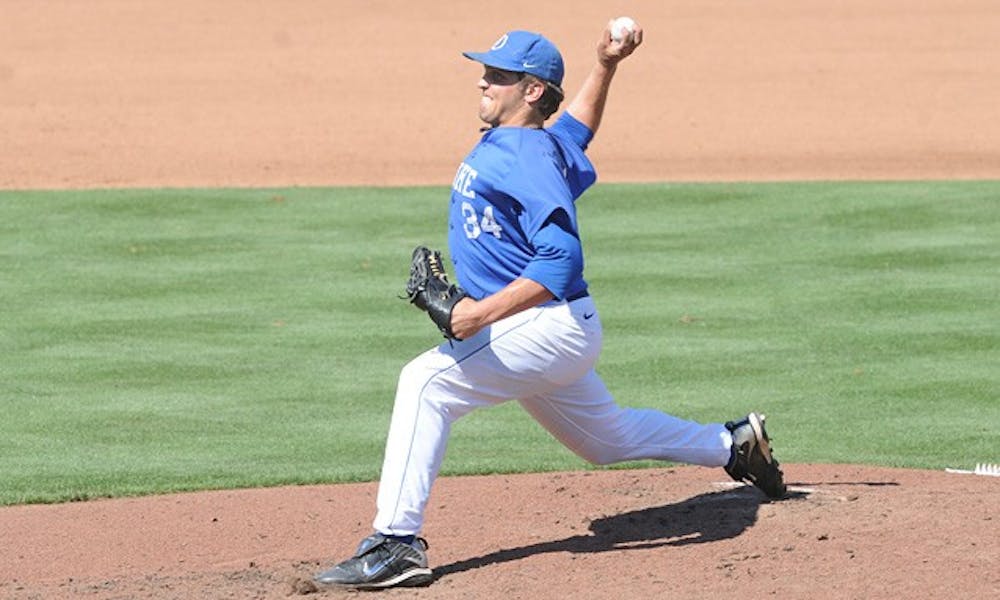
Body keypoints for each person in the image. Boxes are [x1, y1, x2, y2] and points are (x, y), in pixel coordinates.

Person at [314, 20, 786, 590]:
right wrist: (606, 65)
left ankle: (396, 543)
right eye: (485, 73)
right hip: (549, 329)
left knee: (424, 383)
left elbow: (560, 261)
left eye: (498, 76)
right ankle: (732, 445)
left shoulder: (529, 156)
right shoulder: (540, 141)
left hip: (545, 325)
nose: (482, 83)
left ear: (531, 90)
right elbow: (578, 130)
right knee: (605, 439)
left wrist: (476, 315)